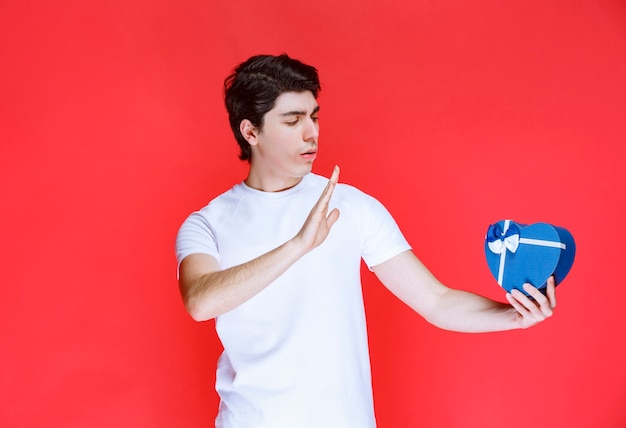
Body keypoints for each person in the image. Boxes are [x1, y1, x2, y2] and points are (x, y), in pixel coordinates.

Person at [175, 53, 556, 428]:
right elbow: (201, 301)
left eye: (314, 116)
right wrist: (297, 245)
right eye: (293, 120)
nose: (312, 133)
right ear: (250, 131)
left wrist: (513, 318)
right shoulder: (208, 223)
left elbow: (436, 301)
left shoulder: (351, 205)